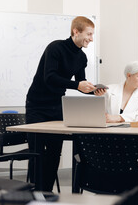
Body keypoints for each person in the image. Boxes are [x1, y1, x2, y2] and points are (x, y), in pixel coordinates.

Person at [25, 16, 106, 192]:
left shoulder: (82, 57)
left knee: (54, 153)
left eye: (93, 35)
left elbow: (80, 83)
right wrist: (77, 85)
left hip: (57, 106)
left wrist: (93, 91)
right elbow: (50, 77)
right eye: (89, 34)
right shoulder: (55, 48)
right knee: (37, 153)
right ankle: (34, 194)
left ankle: (45, 193)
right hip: (37, 105)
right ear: (76, 32)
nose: (91, 39)